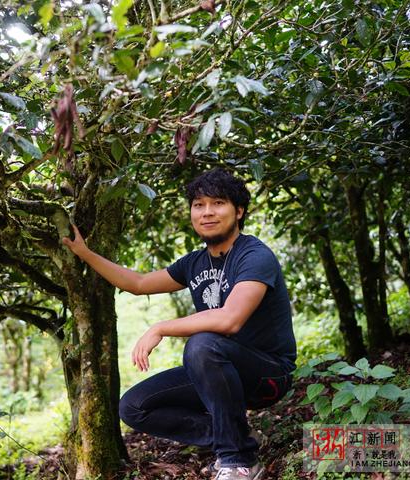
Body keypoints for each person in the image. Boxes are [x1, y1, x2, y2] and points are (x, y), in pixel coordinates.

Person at [62, 168, 296, 480]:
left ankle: (238, 461)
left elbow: (230, 319)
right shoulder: (194, 263)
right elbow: (140, 282)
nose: (207, 212)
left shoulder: (254, 255)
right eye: (199, 205)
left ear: (238, 211)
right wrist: (85, 253)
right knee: (134, 407)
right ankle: (239, 437)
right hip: (217, 369)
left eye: (218, 203)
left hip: (267, 375)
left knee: (202, 343)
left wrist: (160, 327)